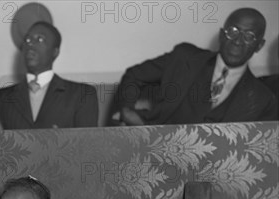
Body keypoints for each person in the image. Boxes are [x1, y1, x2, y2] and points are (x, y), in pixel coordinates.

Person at [117, 8, 278, 125]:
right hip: (158, 157)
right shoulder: (184, 58)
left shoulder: (263, 100)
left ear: (259, 45)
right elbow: (134, 76)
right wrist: (127, 110)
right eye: (233, 31)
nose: (237, 41)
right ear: (222, 34)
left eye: (249, 36)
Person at [0, 21, 99, 130]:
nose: (31, 44)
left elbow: (88, 150)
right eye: (27, 40)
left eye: (40, 39)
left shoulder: (82, 95)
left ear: (55, 52)